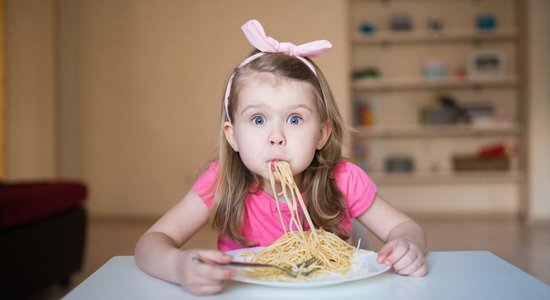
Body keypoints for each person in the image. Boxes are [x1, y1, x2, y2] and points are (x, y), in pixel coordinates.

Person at [135, 19, 427, 296]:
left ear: (322, 134)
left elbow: (404, 228)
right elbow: (150, 244)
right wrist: (178, 267)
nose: (276, 136)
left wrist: (408, 245)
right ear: (233, 135)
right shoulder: (220, 180)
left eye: (295, 119)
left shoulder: (343, 178)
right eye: (259, 119)